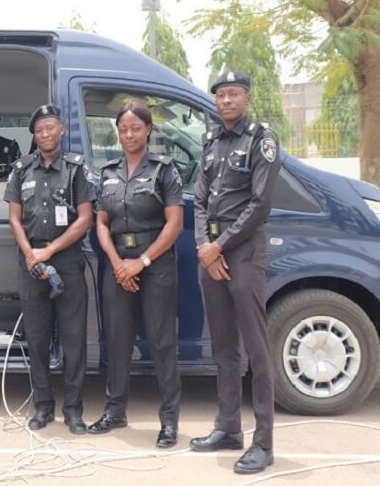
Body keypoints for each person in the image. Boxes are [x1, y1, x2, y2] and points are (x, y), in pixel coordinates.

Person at [190, 71, 280, 474]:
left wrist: (219, 245)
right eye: (220, 95)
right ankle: (228, 427)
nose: (226, 100)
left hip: (243, 254)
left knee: (256, 350)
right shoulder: (210, 140)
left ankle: (264, 443)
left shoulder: (261, 140)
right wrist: (204, 248)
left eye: (233, 94)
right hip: (212, 256)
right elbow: (199, 200)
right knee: (223, 346)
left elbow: (260, 204)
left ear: (247, 98)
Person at [88, 101, 184, 447]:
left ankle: (169, 422)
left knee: (161, 343)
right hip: (118, 265)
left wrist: (140, 262)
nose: (129, 135)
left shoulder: (164, 170)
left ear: (148, 130)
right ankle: (115, 412)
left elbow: (175, 224)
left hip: (155, 265)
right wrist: (118, 263)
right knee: (117, 341)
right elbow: (101, 223)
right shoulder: (108, 173)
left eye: (135, 128)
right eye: (123, 129)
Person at [4, 104, 96, 434]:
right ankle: (43, 407)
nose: (45, 134)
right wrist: (31, 253)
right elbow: (14, 218)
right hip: (31, 262)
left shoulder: (76, 168)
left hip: (67, 261)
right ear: (34, 134)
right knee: (37, 339)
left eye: (50, 128)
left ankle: (73, 410)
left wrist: (50, 250)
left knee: (73, 340)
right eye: (39, 130)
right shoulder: (21, 170)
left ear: (61, 131)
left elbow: (85, 218)